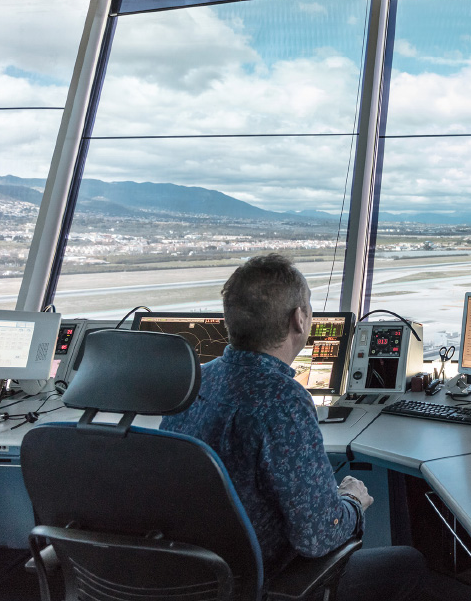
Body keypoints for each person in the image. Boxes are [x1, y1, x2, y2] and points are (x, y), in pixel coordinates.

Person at [162, 253, 427, 601]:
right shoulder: (282, 399)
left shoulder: (194, 381)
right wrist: (352, 501)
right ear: (299, 319)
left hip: (186, 574)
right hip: (259, 579)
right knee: (408, 562)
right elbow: (318, 537)